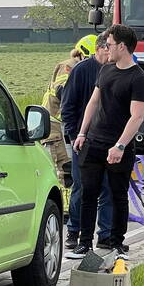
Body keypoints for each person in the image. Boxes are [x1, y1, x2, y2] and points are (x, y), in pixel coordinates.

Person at [70, 24, 144, 259]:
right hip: (93, 142)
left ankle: (116, 243)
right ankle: (85, 243)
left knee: (117, 195)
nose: (107, 48)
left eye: (111, 44)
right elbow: (93, 103)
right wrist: (82, 133)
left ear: (122, 47)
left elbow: (137, 116)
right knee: (88, 193)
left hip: (118, 147)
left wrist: (120, 146)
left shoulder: (138, 78)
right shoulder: (105, 70)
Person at [61, 33, 114, 251]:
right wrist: (74, 136)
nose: (112, 53)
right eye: (109, 48)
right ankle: (74, 232)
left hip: (108, 141)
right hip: (83, 141)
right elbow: (68, 107)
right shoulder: (81, 71)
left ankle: (106, 235)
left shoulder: (115, 70)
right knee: (81, 188)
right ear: (99, 49)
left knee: (108, 188)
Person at [42, 35, 96, 191]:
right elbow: (65, 95)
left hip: (65, 127)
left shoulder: (81, 68)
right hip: (55, 128)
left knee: (70, 171)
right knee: (63, 171)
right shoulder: (68, 67)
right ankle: (64, 211)